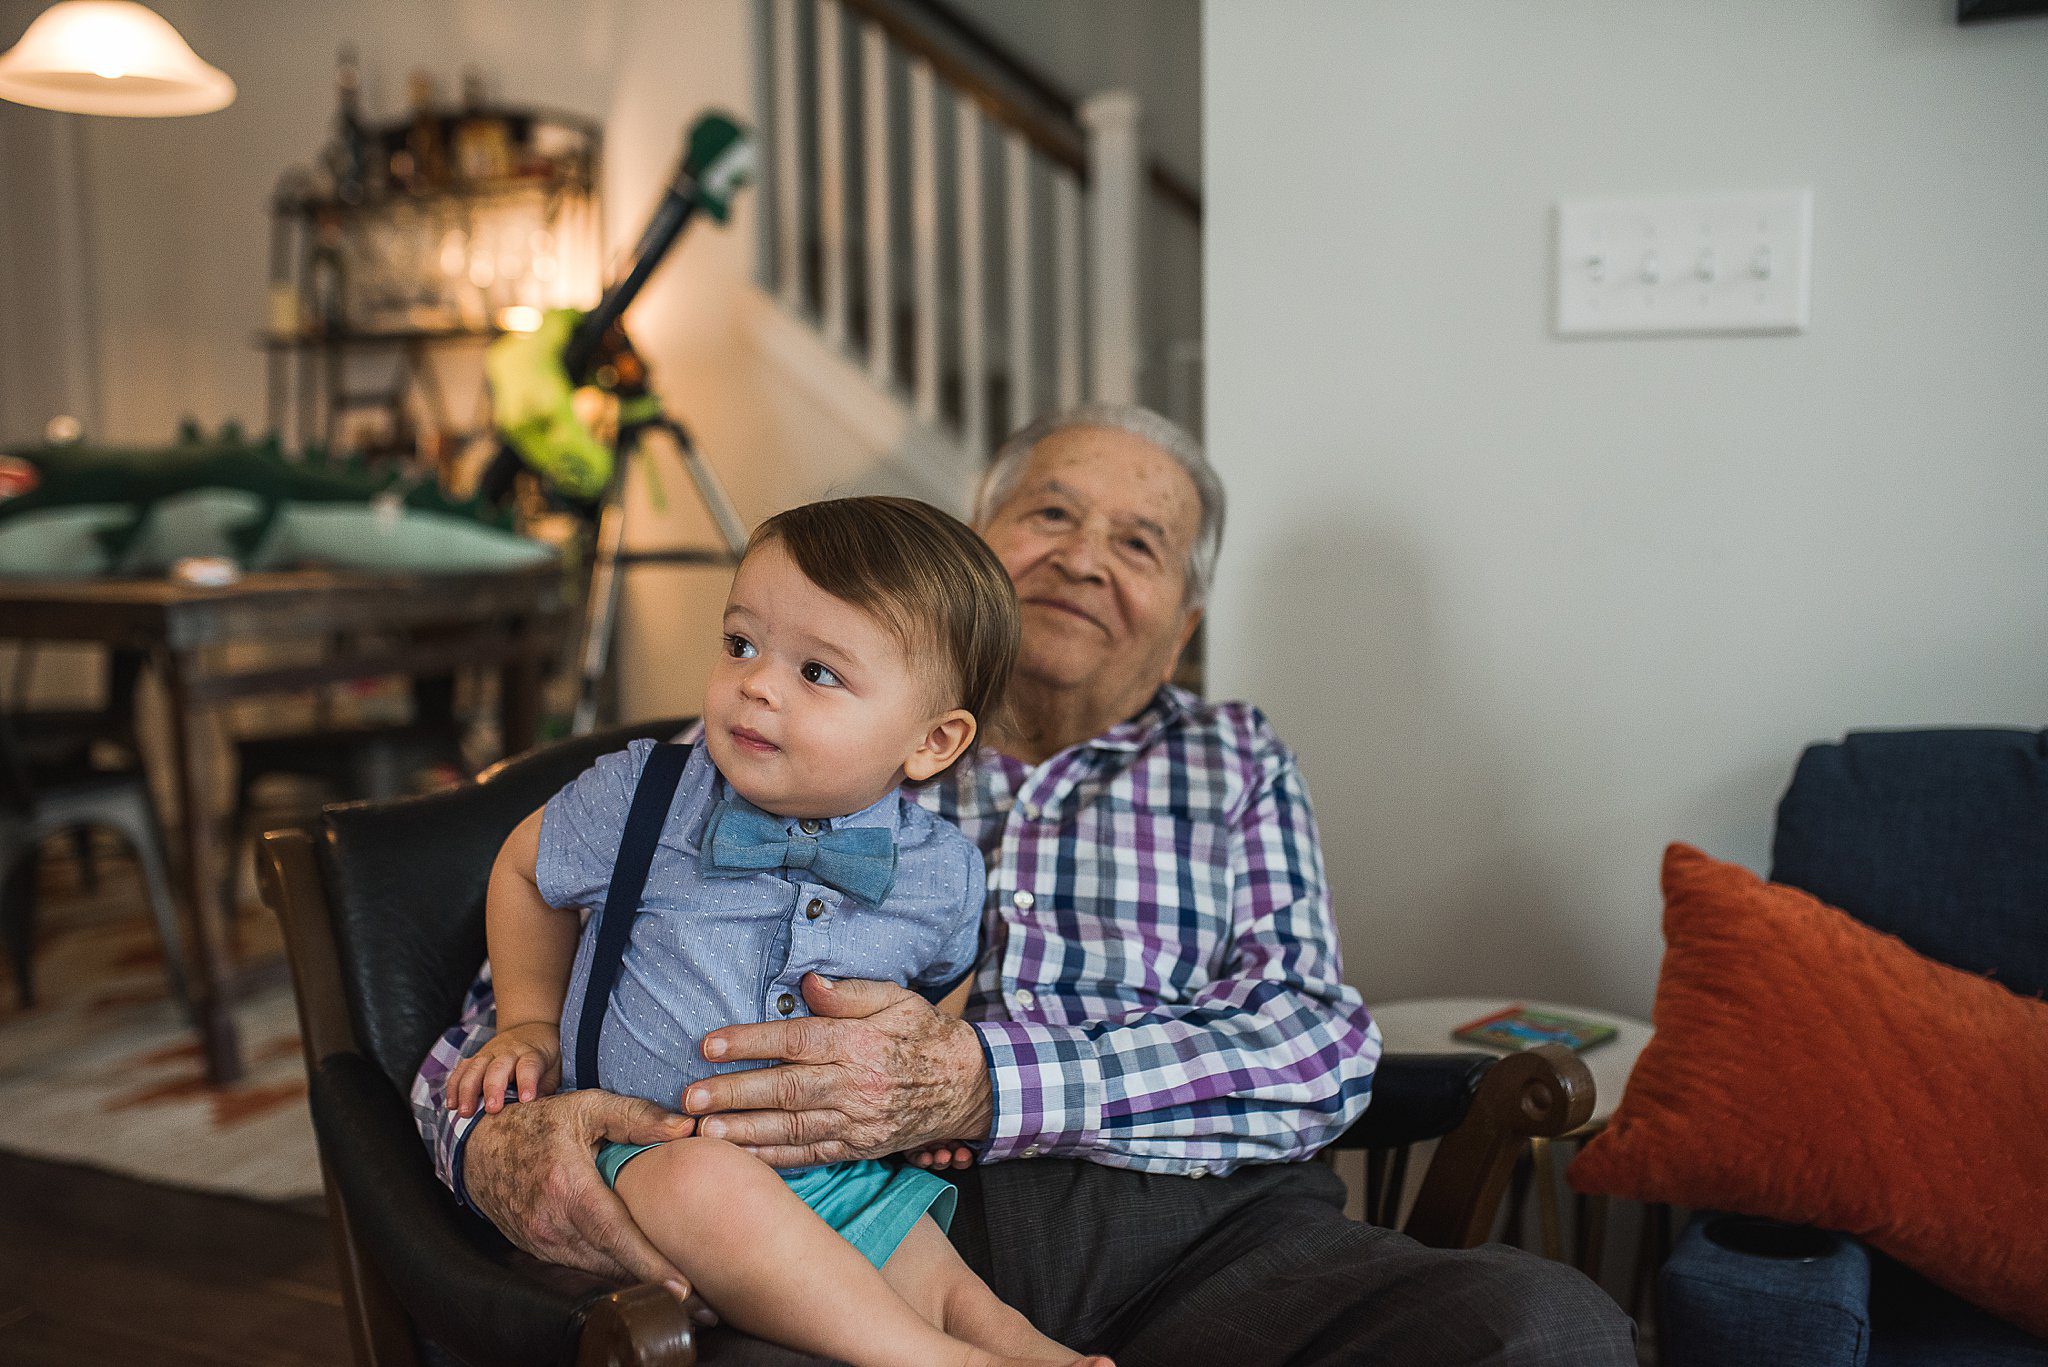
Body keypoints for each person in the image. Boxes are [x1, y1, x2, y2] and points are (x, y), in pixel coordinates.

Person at [414, 405, 1638, 1366]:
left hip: (1212, 1232)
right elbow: (521, 1012)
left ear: (1183, 617)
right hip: (840, 1233)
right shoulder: (755, 740)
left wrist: (987, 1083)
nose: (1082, 557)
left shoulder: (1234, 761)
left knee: (1541, 1333)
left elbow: (1319, 1047)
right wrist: (494, 1143)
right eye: (1048, 511)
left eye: (1138, 541)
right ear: (970, 548)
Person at [441, 497, 1107, 1367]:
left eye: (818, 673)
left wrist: (919, 1099)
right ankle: (929, 1360)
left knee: (927, 1258)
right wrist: (526, 1018)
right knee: (707, 1183)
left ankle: (1017, 1344)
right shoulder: (642, 795)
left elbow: (939, 989)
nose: (756, 682)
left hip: (835, 1163)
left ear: (932, 741)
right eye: (740, 644)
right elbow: (525, 869)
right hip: (650, 1152)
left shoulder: (941, 870)